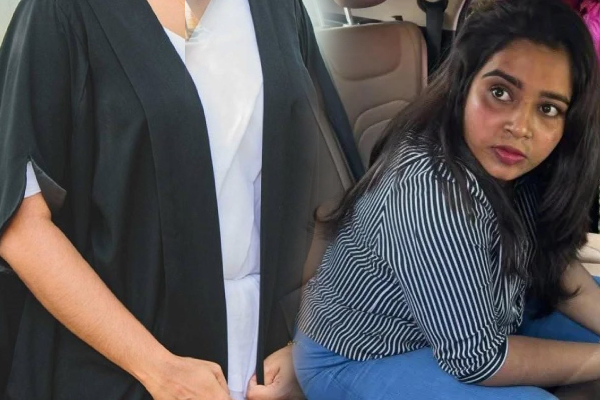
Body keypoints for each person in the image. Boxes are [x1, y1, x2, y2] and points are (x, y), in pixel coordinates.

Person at [0, 0, 357, 399]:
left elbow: (333, 200)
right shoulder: (61, 13)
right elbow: (22, 225)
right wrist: (157, 368)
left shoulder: (280, 9)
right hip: (121, 364)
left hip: (268, 363)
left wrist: (306, 345)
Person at [293, 0, 600, 398]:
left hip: (483, 314)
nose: (521, 127)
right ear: (463, 86)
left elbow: (553, 263)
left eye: (548, 108)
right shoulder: (429, 191)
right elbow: (478, 358)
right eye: (500, 92)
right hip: (365, 353)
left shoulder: (523, 167)